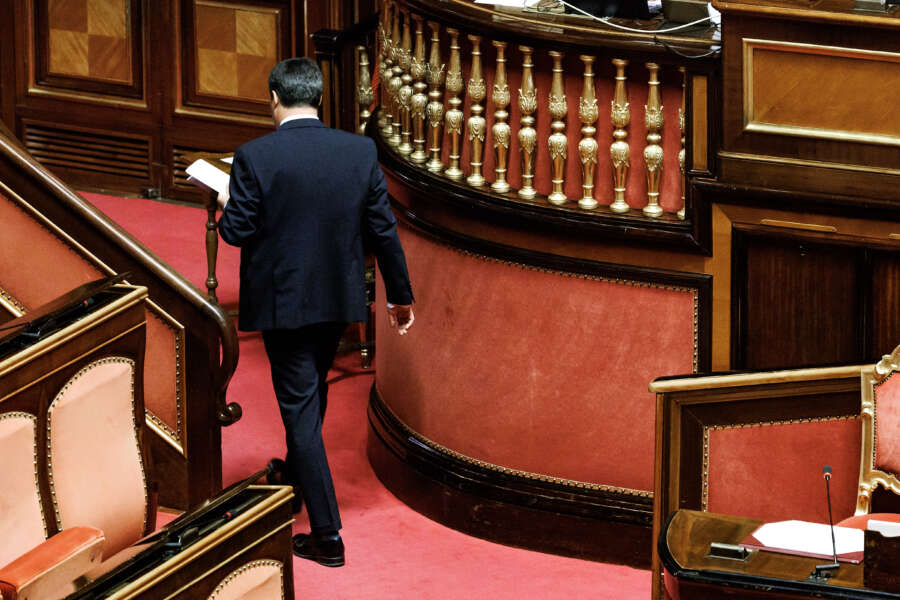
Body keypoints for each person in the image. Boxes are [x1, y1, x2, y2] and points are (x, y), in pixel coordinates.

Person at [217, 57, 415, 568]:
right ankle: (296, 476)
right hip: (337, 300)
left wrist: (226, 200)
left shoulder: (253, 157)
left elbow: (236, 232)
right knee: (311, 392)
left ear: (274, 99)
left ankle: (326, 535)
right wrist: (399, 296)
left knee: (300, 407)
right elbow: (383, 230)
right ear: (319, 100)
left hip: (285, 306)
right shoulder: (357, 150)